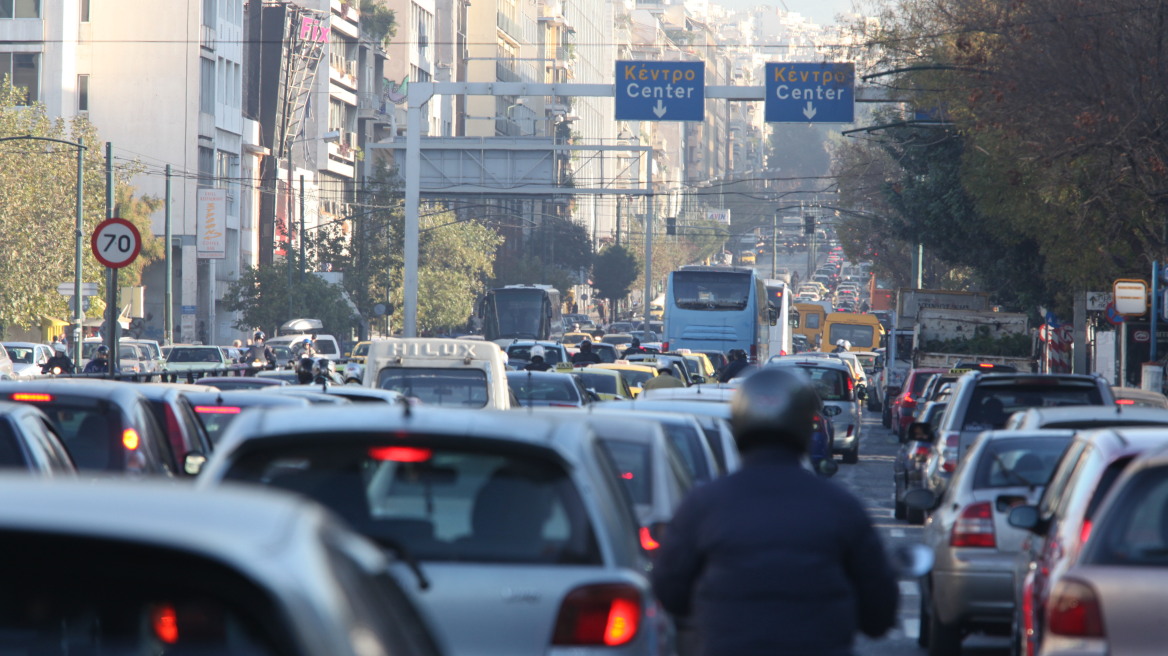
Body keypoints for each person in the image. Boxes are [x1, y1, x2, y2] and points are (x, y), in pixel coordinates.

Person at [651, 367, 899, 656]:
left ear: (740, 422)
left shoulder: (704, 504)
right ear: (806, 426)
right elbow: (878, 613)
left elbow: (671, 592)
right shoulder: (840, 507)